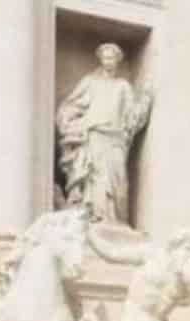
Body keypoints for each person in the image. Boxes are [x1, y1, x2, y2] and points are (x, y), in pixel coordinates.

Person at [56, 43, 152, 225]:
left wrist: (146, 100)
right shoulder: (90, 82)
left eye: (112, 58)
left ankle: (114, 220)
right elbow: (70, 107)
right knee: (95, 179)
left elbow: (132, 117)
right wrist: (75, 126)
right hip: (94, 136)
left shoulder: (123, 86)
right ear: (100, 59)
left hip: (116, 140)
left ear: (118, 61)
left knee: (118, 182)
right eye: (106, 58)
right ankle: (94, 217)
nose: (109, 62)